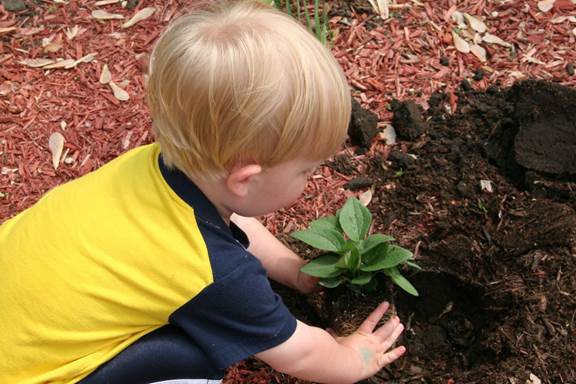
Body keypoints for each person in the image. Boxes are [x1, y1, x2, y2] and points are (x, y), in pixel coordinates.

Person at [0, 1, 406, 383]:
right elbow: (299, 353)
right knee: (198, 352)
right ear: (245, 180)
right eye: (305, 170)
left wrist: (291, 268)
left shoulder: (152, 165)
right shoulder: (217, 274)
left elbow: (232, 217)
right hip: (26, 374)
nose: (312, 179)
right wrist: (356, 358)